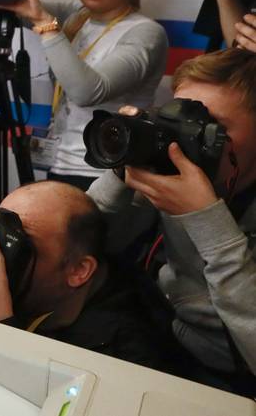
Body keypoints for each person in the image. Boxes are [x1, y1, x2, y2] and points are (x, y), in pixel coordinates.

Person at [88, 48, 256, 394]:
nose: (186, 139)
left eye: (212, 127)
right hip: (159, 339)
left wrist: (208, 221)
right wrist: (122, 172)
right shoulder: (172, 174)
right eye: (177, 117)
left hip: (231, 378)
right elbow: (82, 252)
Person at [0, 180, 173, 370]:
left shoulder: (130, 351)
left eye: (18, 242)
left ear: (79, 271)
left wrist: (1, 332)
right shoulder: (37, 287)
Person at [0, 0, 168, 190]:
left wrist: (45, 23)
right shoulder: (76, 17)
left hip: (107, 175)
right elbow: (20, 6)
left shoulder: (146, 32)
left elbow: (87, 91)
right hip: (59, 165)